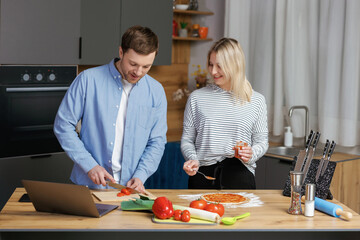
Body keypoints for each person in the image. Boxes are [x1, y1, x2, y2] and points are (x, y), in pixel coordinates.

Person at [54, 25, 167, 192]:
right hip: (88, 186)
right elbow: (63, 126)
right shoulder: (88, 80)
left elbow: (157, 141)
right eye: (133, 63)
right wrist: (89, 165)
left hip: (130, 190)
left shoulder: (156, 91)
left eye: (146, 66)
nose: (138, 72)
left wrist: (141, 174)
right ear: (121, 52)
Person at [181, 38, 268, 189]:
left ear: (235, 65)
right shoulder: (197, 98)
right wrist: (192, 159)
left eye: (219, 66)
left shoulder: (256, 100)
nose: (213, 71)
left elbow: (262, 142)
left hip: (240, 177)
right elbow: (187, 139)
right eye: (211, 64)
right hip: (202, 177)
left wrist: (251, 153)